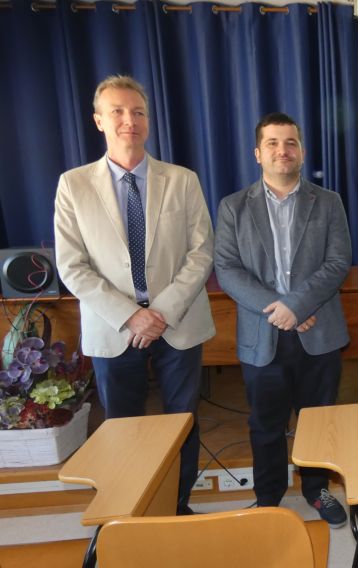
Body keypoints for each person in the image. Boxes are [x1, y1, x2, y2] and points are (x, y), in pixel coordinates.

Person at [53, 75, 215, 515]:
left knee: (182, 423)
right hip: (113, 326)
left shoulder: (182, 180)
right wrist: (131, 315)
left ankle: (177, 507)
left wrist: (159, 311)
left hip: (177, 322)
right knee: (121, 427)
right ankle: (127, 510)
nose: (130, 120)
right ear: (99, 120)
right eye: (119, 112)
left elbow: (202, 252)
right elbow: (72, 266)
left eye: (138, 112)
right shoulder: (74, 185)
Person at [213, 112, 351, 528]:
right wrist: (283, 308)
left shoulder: (328, 202)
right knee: (265, 424)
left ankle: (317, 490)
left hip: (319, 333)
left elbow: (339, 261)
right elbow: (227, 269)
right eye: (272, 143)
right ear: (258, 153)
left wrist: (300, 305)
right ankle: (268, 498)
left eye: (290, 142)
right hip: (262, 334)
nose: (282, 151)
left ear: (302, 151)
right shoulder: (233, 206)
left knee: (318, 421)